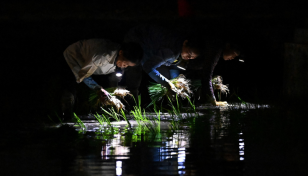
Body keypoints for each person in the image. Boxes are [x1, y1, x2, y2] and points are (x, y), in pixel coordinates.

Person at [61, 39, 143, 120]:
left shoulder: (119, 59)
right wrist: (99, 89)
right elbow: (83, 75)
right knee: (71, 88)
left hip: (93, 67)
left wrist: (113, 92)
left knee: (97, 91)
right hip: (74, 58)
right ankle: (65, 118)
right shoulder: (102, 56)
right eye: (125, 63)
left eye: (128, 65)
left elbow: (113, 78)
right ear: (121, 52)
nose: (125, 66)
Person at [121, 24, 203, 104]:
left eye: (192, 57)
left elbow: (174, 67)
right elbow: (148, 66)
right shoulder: (171, 52)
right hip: (137, 38)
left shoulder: (180, 52)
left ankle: (168, 101)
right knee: (135, 65)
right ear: (185, 43)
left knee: (164, 75)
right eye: (189, 53)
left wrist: (175, 82)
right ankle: (132, 99)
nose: (188, 57)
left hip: (150, 45)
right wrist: (168, 85)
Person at [186, 40, 241, 106]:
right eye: (234, 53)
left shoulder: (217, 52)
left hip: (188, 65)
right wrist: (213, 100)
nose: (233, 58)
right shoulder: (216, 50)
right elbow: (207, 75)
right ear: (228, 46)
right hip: (183, 61)